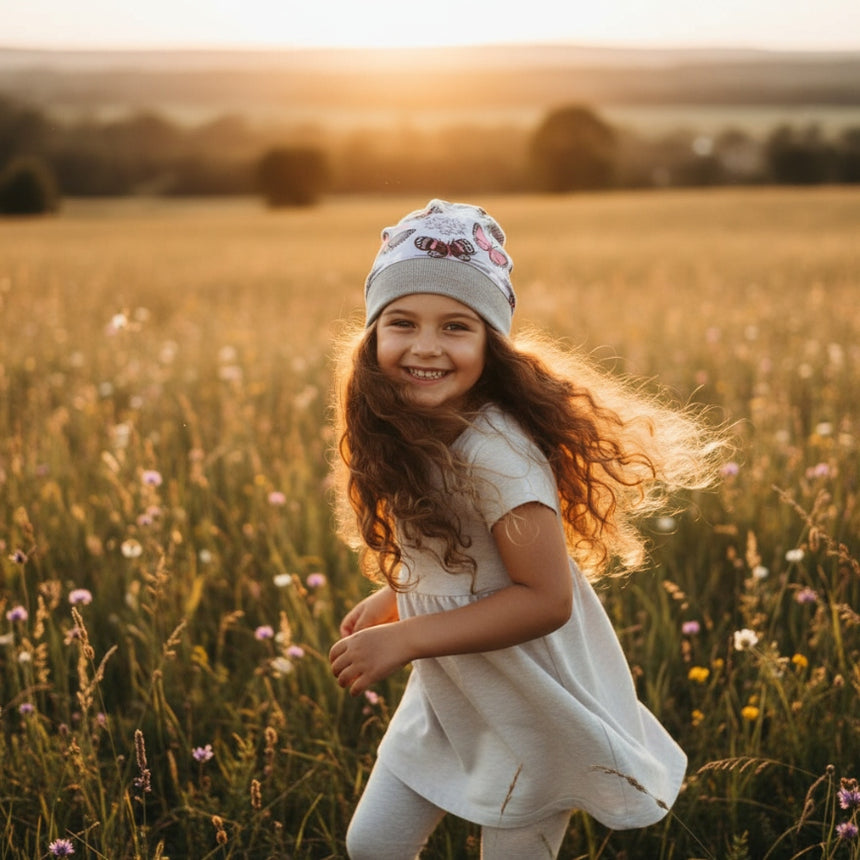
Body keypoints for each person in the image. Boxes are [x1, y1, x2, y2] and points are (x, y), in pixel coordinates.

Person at [328, 200, 727, 859]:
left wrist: (406, 637)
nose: (425, 346)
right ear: (373, 336)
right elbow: (454, 558)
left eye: (456, 326)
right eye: (402, 323)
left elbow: (544, 599)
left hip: (527, 699)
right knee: (372, 844)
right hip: (453, 685)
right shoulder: (407, 429)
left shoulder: (499, 458)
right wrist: (397, 596)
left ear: (491, 344)